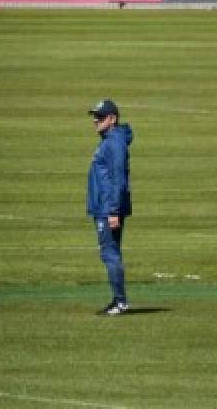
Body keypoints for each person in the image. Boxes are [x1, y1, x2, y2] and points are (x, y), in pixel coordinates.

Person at [86, 98, 133, 315]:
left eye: (100, 117)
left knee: (110, 253)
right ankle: (118, 300)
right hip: (104, 206)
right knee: (110, 253)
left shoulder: (114, 142)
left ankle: (120, 302)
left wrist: (113, 211)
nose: (95, 120)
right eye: (94, 116)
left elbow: (118, 180)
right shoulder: (110, 139)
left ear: (112, 119)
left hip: (108, 208)